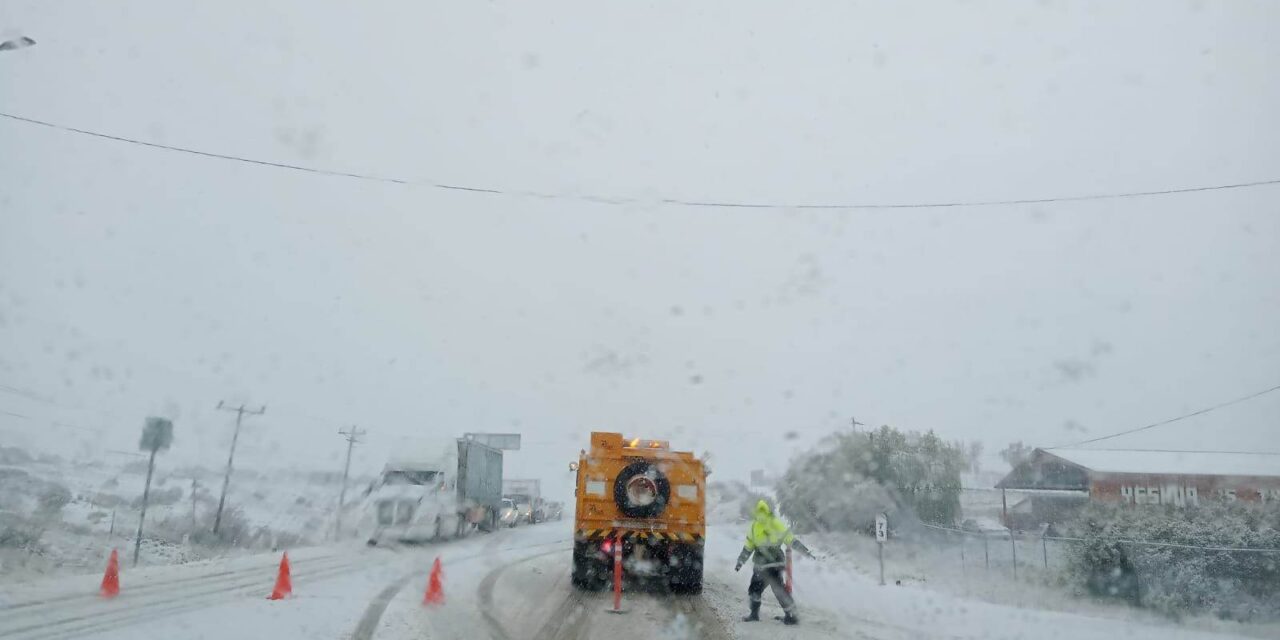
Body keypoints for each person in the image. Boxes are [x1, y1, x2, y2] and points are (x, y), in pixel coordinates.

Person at [734, 499, 817, 625]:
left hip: (761, 565)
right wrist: (805, 552)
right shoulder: (775, 522)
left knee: (755, 589)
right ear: (768, 510)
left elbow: (748, 547)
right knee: (779, 590)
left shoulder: (754, 526)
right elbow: (790, 540)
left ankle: (754, 615)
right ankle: (791, 615)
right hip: (776, 564)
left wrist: (740, 561)